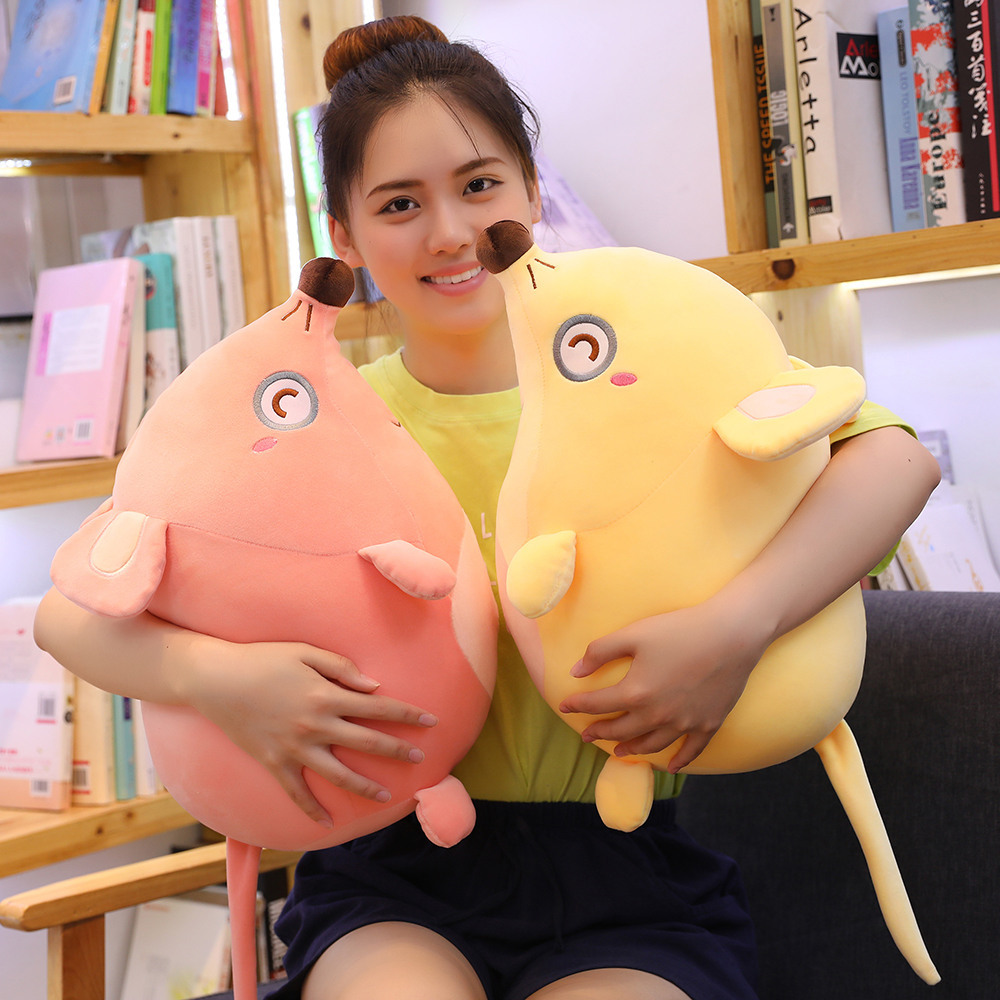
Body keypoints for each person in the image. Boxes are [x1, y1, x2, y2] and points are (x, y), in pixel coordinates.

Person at [34, 15, 941, 1000]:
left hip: (630, 876)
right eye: (399, 203)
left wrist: (738, 624)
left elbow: (894, 462)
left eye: (479, 185)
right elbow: (68, 613)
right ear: (344, 236)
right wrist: (214, 677)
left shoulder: (641, 376)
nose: (449, 232)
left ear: (532, 192)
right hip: (389, 877)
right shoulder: (317, 422)